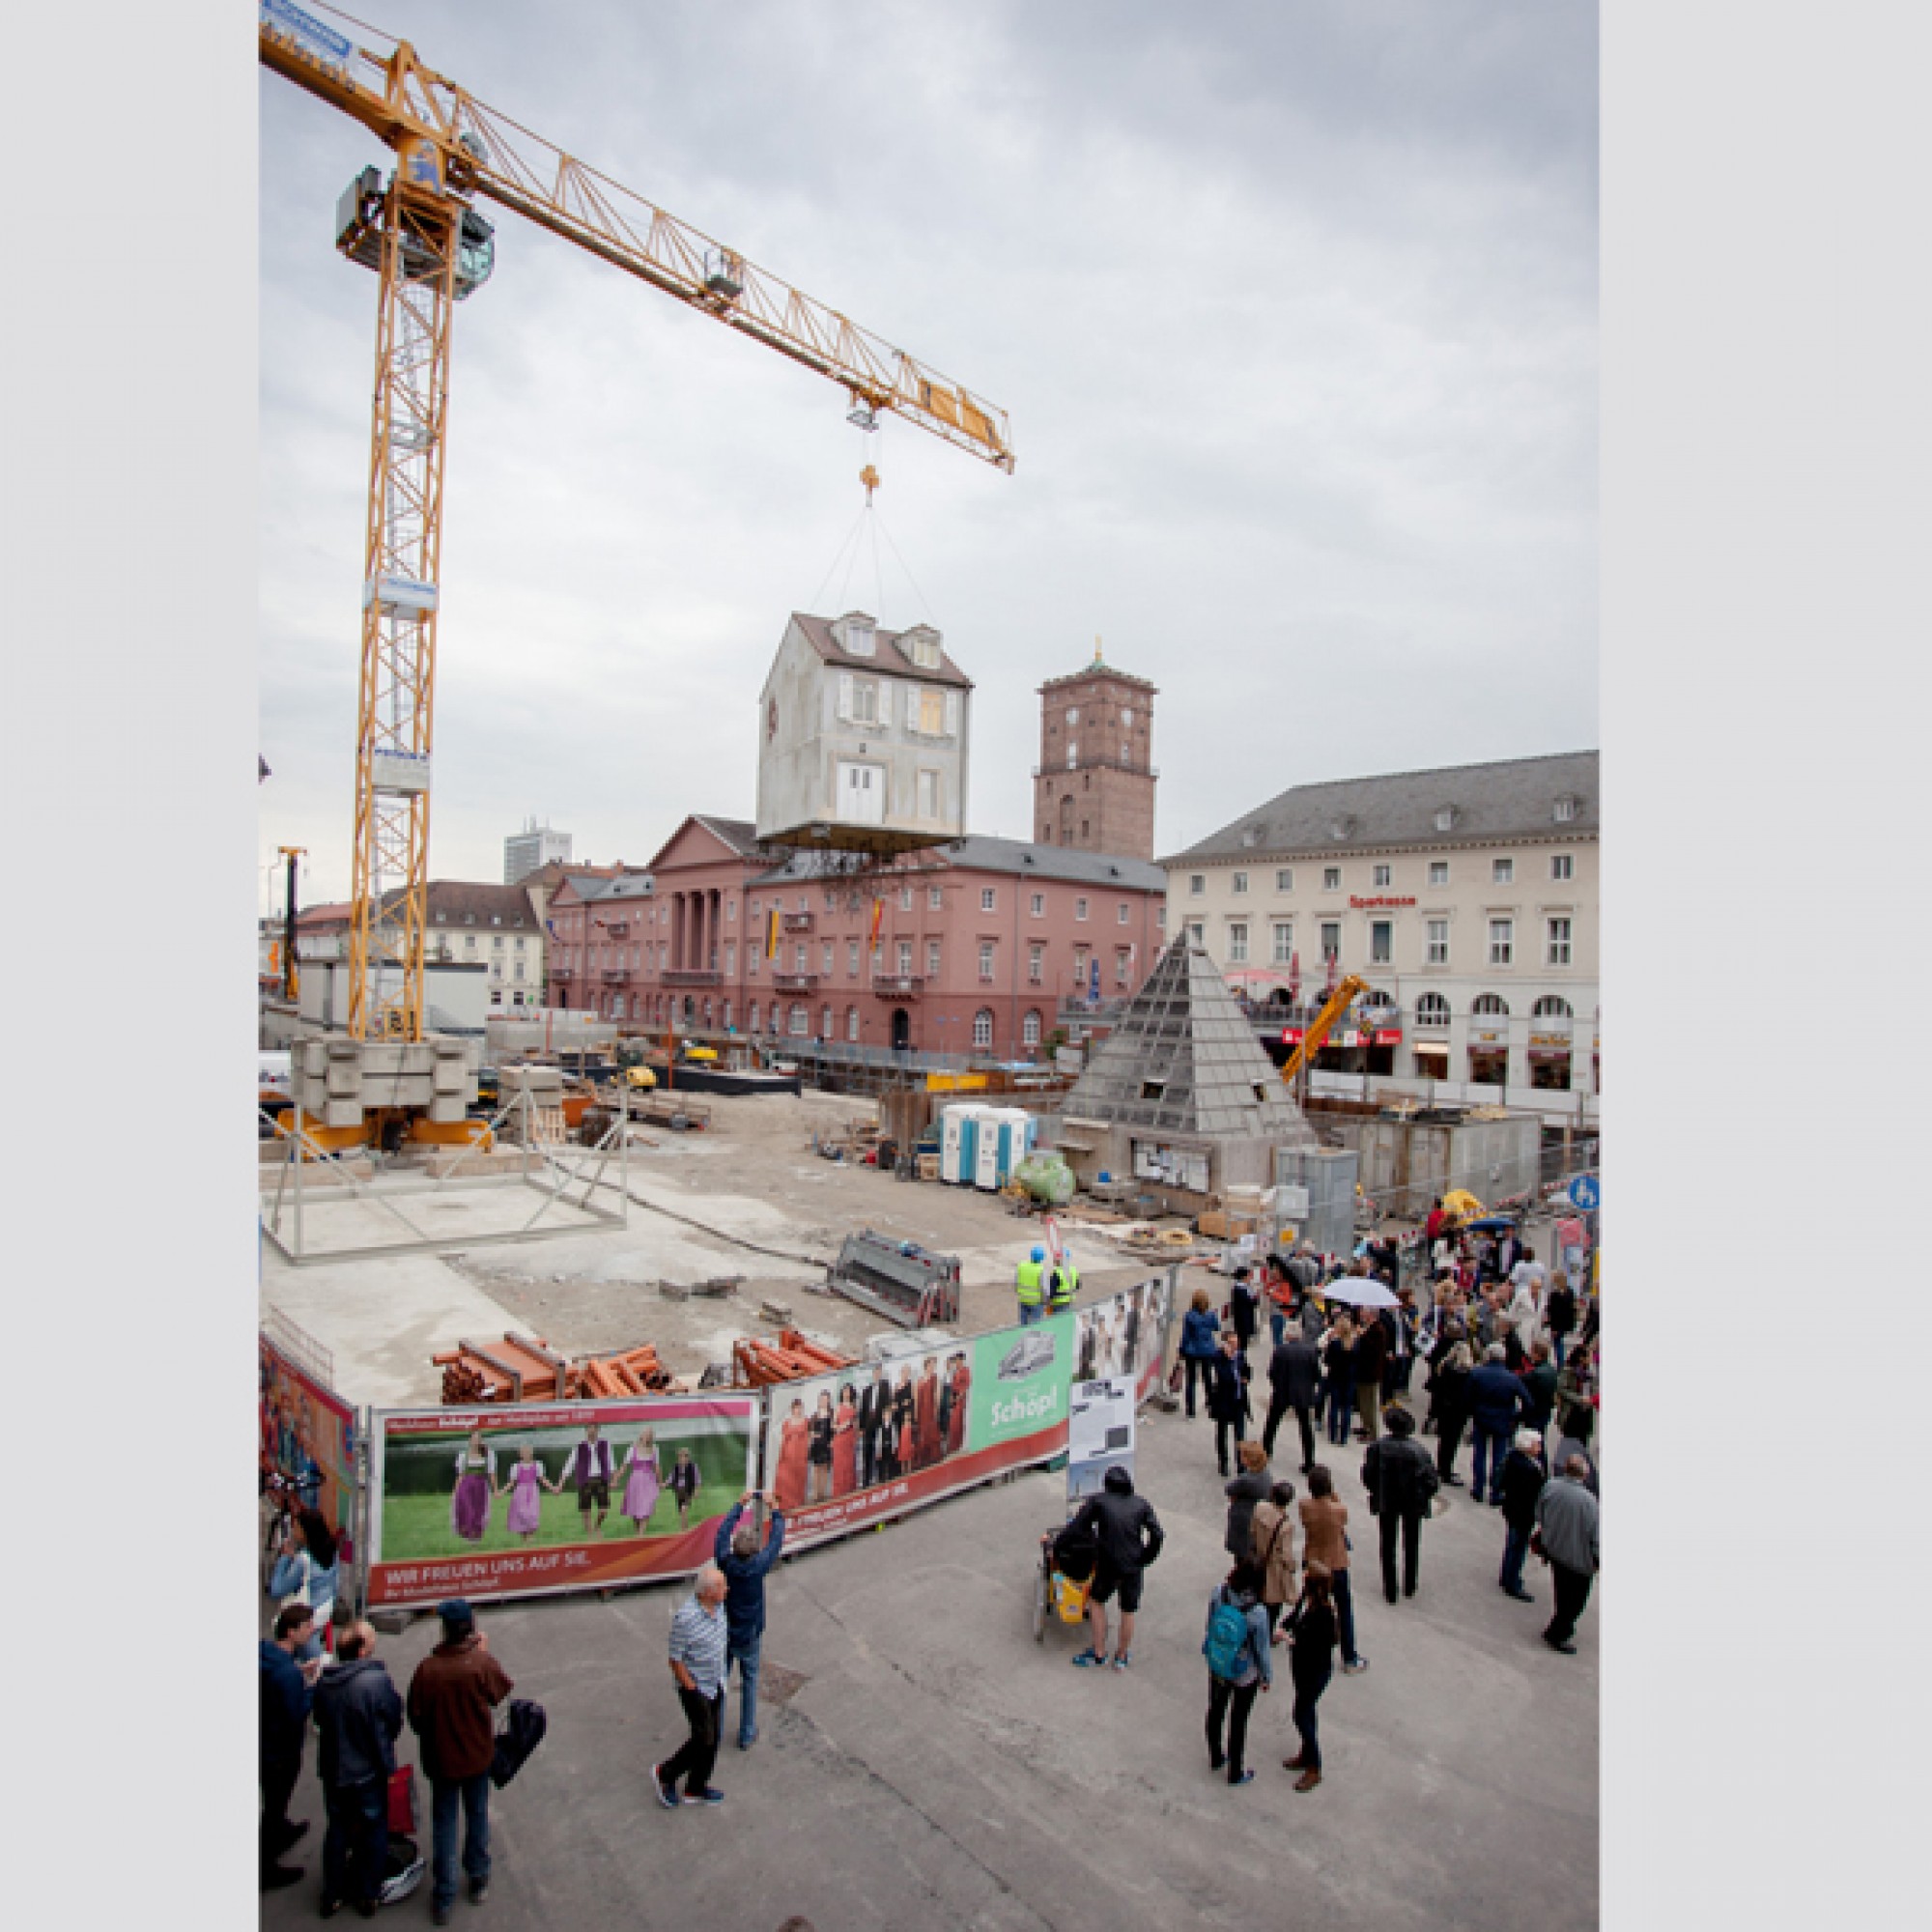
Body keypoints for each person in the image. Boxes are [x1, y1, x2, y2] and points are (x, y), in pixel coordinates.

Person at [407, 1600, 513, 1925]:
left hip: (442, 1760)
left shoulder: (428, 1669)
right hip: (477, 1756)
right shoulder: (479, 1664)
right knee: (477, 1814)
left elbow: (415, 1717)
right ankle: (478, 1876)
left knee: (444, 1823)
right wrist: (483, 1653)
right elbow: (500, 1693)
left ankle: (444, 1893)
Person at [314, 1617, 404, 1919]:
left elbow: (321, 1720)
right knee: (375, 1829)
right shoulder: (375, 1682)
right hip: (367, 1771)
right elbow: (392, 1718)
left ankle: (333, 1893)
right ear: (363, 1651)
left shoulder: (325, 1683)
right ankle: (368, 1893)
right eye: (370, 1638)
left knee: (337, 1829)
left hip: (336, 1770)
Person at [1065, 1463, 1164, 1671]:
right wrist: (1146, 1556)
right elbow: (1158, 1534)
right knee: (1128, 1610)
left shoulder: (1099, 1502)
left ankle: (1099, 1652)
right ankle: (1121, 1656)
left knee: (1096, 1601)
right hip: (1133, 1565)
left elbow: (1078, 1526)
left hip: (1109, 1563)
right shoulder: (1141, 1504)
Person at [714, 1492, 786, 1749]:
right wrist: (775, 1509)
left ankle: (716, 1730)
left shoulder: (726, 1563)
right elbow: (777, 1539)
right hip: (750, 1632)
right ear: (755, 1548)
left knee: (720, 1681)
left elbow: (721, 1536)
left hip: (726, 1630)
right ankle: (746, 1733)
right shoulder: (759, 1565)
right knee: (750, 1679)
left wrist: (738, 1505)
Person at [654, 1564, 731, 1805]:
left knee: (713, 1738)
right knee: (703, 1738)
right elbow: (675, 1659)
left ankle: (695, 1788)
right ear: (708, 1592)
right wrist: (690, 1687)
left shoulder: (718, 1607)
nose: (727, 1589)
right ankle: (665, 1773)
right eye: (721, 1586)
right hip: (695, 1687)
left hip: (716, 1681)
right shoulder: (686, 1618)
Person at [261, 1603, 319, 1890]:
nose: (313, 1630)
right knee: (275, 1802)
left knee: (275, 1801)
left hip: (267, 1742)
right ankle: (265, 1866)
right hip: (280, 1751)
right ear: (291, 1631)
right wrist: (311, 1687)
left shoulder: (268, 1656)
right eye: (307, 1626)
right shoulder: (288, 1675)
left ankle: (281, 1829)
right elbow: (296, 1713)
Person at [1202, 1560, 1274, 1787]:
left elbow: (1209, 1624)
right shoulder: (1257, 1612)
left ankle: (1215, 1755)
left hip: (1219, 1663)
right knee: (1238, 1720)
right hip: (1245, 1672)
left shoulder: (1219, 1593)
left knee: (1216, 1709)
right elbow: (1262, 1648)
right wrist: (1266, 1676)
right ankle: (1235, 1771)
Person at [1360, 1406, 1439, 1603]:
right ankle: (1410, 1585)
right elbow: (1432, 1482)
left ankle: (1390, 1590)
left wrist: (1376, 1490)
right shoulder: (1420, 1451)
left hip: (1387, 1500)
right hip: (1413, 1502)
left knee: (1387, 1544)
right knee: (1411, 1543)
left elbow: (1368, 1475)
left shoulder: (1377, 1447)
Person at [1299, 1467, 1366, 1674]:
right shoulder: (1338, 1510)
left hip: (1314, 1560)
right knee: (1344, 1607)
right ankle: (1349, 1657)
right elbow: (1341, 1519)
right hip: (1336, 1562)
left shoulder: (1305, 1506)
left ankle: (1310, 1644)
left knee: (1314, 1604)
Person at [1534, 1455, 1601, 1653]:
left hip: (1555, 1550)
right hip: (1578, 1559)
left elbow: (1539, 1513)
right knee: (1576, 1601)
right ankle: (1558, 1633)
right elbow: (1595, 1536)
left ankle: (1557, 1628)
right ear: (1584, 1473)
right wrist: (1598, 1559)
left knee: (1562, 1592)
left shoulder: (1551, 1486)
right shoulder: (1589, 1501)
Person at [1282, 1560, 1339, 1792]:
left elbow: (1316, 1645)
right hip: (1302, 1669)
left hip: (1314, 1672)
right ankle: (1306, 1754)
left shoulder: (1323, 1614)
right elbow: (1293, 1619)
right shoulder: (1307, 1602)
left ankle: (1314, 1766)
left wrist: (1290, 1640)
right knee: (1307, 1711)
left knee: (1301, 1715)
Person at [269, 1506, 339, 1662]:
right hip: (325, 1609)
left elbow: (276, 1590)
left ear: (305, 1531)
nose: (293, 1530)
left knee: (310, 1657)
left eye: (296, 1526)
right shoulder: (332, 1551)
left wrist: (284, 1559)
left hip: (306, 1614)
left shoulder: (303, 1560)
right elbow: (335, 1585)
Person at [1467, 1342, 1532, 1505]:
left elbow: (1466, 1397)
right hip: (1503, 1420)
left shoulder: (1477, 1373)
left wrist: (1473, 1410)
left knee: (1479, 1454)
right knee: (1499, 1457)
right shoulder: (1512, 1378)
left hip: (1481, 1417)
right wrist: (1517, 1417)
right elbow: (1528, 1401)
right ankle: (1496, 1492)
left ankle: (1478, 1489)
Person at [1261, 1321, 1321, 1475]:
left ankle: (1266, 1451)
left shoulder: (1280, 1351)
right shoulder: (1310, 1351)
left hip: (1283, 1391)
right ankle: (1309, 1461)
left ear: (1287, 1335)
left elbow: (1272, 1373)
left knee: (1272, 1423)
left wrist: (1277, 1385)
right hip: (1302, 1393)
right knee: (1306, 1427)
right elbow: (1316, 1375)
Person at [1497, 1428, 1548, 1602]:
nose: (1540, 1447)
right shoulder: (1529, 1469)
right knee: (1518, 1547)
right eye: (1537, 1444)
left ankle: (1506, 1576)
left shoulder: (1513, 1458)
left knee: (1511, 1544)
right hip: (1523, 1513)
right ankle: (1512, 1581)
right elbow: (1536, 1493)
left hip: (1512, 1508)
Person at [1248, 1479, 1298, 1640]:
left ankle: (1252, 1630)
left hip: (1258, 1559)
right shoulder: (1286, 1525)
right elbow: (1286, 1554)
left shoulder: (1260, 1507)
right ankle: (1265, 1634)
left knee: (1256, 1598)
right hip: (1274, 1568)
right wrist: (1292, 1566)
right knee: (1273, 1604)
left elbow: (1252, 1531)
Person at [1205, 1326, 1253, 1479]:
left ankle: (1241, 1464)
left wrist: (1246, 1378)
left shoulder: (1240, 1355)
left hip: (1238, 1400)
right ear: (1225, 1344)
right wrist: (1227, 1359)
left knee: (1240, 1435)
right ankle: (1223, 1462)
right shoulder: (1218, 1357)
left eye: (1236, 1343)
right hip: (1224, 1400)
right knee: (1222, 1432)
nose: (1235, 1346)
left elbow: (1246, 1370)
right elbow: (1224, 1376)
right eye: (1232, 1343)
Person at [1429, 1339, 1475, 1485]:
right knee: (1452, 1441)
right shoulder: (1466, 1373)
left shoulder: (1444, 1367)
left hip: (1444, 1408)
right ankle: (1446, 1471)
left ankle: (1442, 1467)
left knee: (1444, 1440)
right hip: (1458, 1411)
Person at [559, 1422, 615, 1539]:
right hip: (585, 1479)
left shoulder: (605, 1444)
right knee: (586, 1510)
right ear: (586, 1431)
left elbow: (611, 1462)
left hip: (601, 1478)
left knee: (603, 1510)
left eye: (594, 1428)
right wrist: (561, 1483)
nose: (592, 1431)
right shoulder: (579, 1446)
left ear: (598, 1430)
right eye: (590, 1428)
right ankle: (590, 1535)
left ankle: (597, 1526)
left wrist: (614, 1479)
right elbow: (569, 1465)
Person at [1223, 1441, 1272, 1559]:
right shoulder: (1265, 1473)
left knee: (1241, 1554)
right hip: (1259, 1516)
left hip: (1244, 1518)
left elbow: (1229, 1489)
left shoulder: (1247, 1479)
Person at [1179, 1288, 1222, 1420]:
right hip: (1208, 1349)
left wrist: (1181, 1349)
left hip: (1193, 1350)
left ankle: (1190, 1411)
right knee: (1207, 1376)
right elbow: (1217, 1327)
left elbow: (1186, 1335)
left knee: (1191, 1380)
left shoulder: (1190, 1316)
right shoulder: (1211, 1314)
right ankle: (1210, 1402)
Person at [449, 1430, 496, 1545]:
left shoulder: (487, 1455)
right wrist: (454, 1492)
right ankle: (469, 1537)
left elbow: (492, 1474)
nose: (476, 1441)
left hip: (481, 1487)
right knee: (468, 1510)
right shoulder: (463, 1456)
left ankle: (476, 1538)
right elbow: (460, 1475)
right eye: (474, 1438)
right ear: (470, 1440)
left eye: (478, 1439)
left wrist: (495, 1490)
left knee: (479, 1512)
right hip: (466, 1486)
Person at [498, 1443, 547, 1544]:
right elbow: (511, 1483)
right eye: (524, 1452)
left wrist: (553, 1488)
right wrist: (502, 1492)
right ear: (520, 1454)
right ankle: (524, 1536)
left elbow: (543, 1480)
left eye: (528, 1452)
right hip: (520, 1493)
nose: (526, 1454)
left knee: (532, 1513)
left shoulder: (537, 1465)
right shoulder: (516, 1467)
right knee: (522, 1514)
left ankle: (530, 1535)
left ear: (532, 1453)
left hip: (533, 1492)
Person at [1321, 1312, 1357, 1447]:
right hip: (1349, 1378)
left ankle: (1332, 1435)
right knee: (1347, 1408)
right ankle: (1343, 1437)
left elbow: (1327, 1360)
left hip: (1335, 1377)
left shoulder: (1335, 1344)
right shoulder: (1355, 1344)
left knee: (1334, 1406)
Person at [1352, 1309, 1387, 1443]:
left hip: (1370, 1372)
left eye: (1364, 1313)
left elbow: (1373, 1350)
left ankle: (1372, 1433)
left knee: (1369, 1404)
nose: (1361, 1315)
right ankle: (1365, 1426)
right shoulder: (1371, 1328)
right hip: (1364, 1371)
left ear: (1371, 1315)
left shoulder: (1378, 1330)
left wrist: (1363, 1336)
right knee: (1362, 1402)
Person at [620, 1428, 662, 1533]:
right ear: (641, 1435)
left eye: (650, 1435)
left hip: (649, 1481)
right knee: (636, 1508)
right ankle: (637, 1532)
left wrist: (660, 1482)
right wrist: (616, 1479)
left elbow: (657, 1467)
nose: (648, 1437)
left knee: (647, 1507)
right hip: (635, 1481)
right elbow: (624, 1466)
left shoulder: (654, 1449)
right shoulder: (632, 1448)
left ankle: (641, 1534)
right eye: (646, 1434)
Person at [857, 1367, 892, 1488]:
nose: (877, 1374)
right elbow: (862, 1410)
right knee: (867, 1451)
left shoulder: (885, 1387)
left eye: (879, 1372)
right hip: (868, 1424)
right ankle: (866, 1480)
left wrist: (885, 1421)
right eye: (875, 1372)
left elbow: (887, 1404)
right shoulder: (867, 1390)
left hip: (879, 1423)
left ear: (881, 1373)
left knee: (880, 1451)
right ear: (872, 1374)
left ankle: (880, 1477)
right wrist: (861, 1427)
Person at [1519, 1337, 1560, 1436]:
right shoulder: (1551, 1370)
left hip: (1534, 1414)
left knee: (1532, 1442)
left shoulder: (1535, 1374)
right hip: (1545, 1412)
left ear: (1537, 1355)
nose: (1529, 1353)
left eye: (1532, 1351)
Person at [774, 1399, 810, 1512]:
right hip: (788, 1452)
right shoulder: (786, 1423)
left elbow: (807, 1439)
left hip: (799, 1453)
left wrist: (805, 1453)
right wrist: (781, 1455)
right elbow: (784, 1439)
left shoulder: (806, 1421)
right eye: (796, 1408)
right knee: (786, 1478)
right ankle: (784, 1503)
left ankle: (797, 1502)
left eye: (799, 1408)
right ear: (792, 1409)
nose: (798, 1410)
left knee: (797, 1478)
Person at [913, 1355, 943, 1469]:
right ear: (926, 1366)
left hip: (930, 1410)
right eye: (930, 1365)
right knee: (922, 1433)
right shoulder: (919, 1380)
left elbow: (937, 1395)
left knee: (931, 1432)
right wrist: (915, 1413)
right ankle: (922, 1460)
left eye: (933, 1365)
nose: (932, 1367)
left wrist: (936, 1408)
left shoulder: (935, 1378)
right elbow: (916, 1397)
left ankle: (933, 1457)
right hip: (921, 1411)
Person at [1544, 1269, 1578, 1367]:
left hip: (1557, 1323)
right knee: (1560, 1343)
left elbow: (1554, 1312)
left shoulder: (1555, 1294)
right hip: (1567, 1322)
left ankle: (1560, 1365)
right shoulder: (1570, 1292)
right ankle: (1561, 1364)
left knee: (1558, 1344)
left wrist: (1553, 1327)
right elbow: (1572, 1309)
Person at [805, 1390, 835, 1504]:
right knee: (816, 1470)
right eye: (822, 1399)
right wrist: (813, 1434)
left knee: (825, 1469)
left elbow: (834, 1430)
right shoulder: (814, 1415)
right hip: (817, 1445)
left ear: (828, 1401)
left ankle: (822, 1494)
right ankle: (816, 1494)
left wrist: (832, 1440)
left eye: (826, 1399)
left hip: (827, 1445)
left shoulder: (832, 1414)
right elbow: (809, 1431)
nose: (823, 1401)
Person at [831, 1384, 859, 1496]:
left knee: (849, 1466)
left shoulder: (854, 1408)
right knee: (839, 1467)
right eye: (844, 1391)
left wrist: (855, 1437)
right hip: (840, 1440)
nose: (846, 1393)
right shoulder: (838, 1407)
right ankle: (838, 1493)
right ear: (842, 1393)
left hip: (850, 1441)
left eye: (848, 1391)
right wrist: (840, 1427)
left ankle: (849, 1491)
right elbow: (833, 1424)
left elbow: (856, 1426)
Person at [1228, 1266, 1261, 1357]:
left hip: (1245, 1318)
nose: (1250, 1278)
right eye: (1248, 1275)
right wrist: (1256, 1297)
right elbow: (1250, 1302)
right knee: (1242, 1342)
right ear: (1243, 1277)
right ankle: (1240, 1359)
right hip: (1242, 1319)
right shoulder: (1240, 1288)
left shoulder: (1245, 1288)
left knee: (1244, 1342)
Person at [668, 1447, 702, 1530]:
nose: (683, 1459)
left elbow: (698, 1479)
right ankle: (685, 1528)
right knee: (682, 1511)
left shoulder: (693, 1467)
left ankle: (683, 1530)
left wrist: (697, 1490)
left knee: (684, 1509)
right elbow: (671, 1478)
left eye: (685, 1456)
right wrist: (664, 1484)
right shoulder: (676, 1467)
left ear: (688, 1457)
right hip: (679, 1491)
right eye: (681, 1457)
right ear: (679, 1458)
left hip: (688, 1490)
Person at [945, 1351, 971, 1456]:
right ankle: (952, 1445)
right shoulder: (955, 1371)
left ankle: (957, 1445)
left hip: (960, 1400)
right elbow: (952, 1385)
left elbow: (966, 1385)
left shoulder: (965, 1371)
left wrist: (958, 1397)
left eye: (957, 1360)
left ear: (961, 1360)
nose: (956, 1362)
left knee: (957, 1422)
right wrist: (951, 1396)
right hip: (954, 1397)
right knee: (952, 1423)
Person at [1014, 1245, 1047, 1325]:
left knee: (1023, 1324)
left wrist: (1019, 1293)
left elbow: (1016, 1282)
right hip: (1036, 1302)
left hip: (1023, 1300)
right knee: (1036, 1325)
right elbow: (1044, 1288)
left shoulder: (1021, 1266)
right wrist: (1045, 1300)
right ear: (1041, 1258)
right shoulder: (1041, 1270)